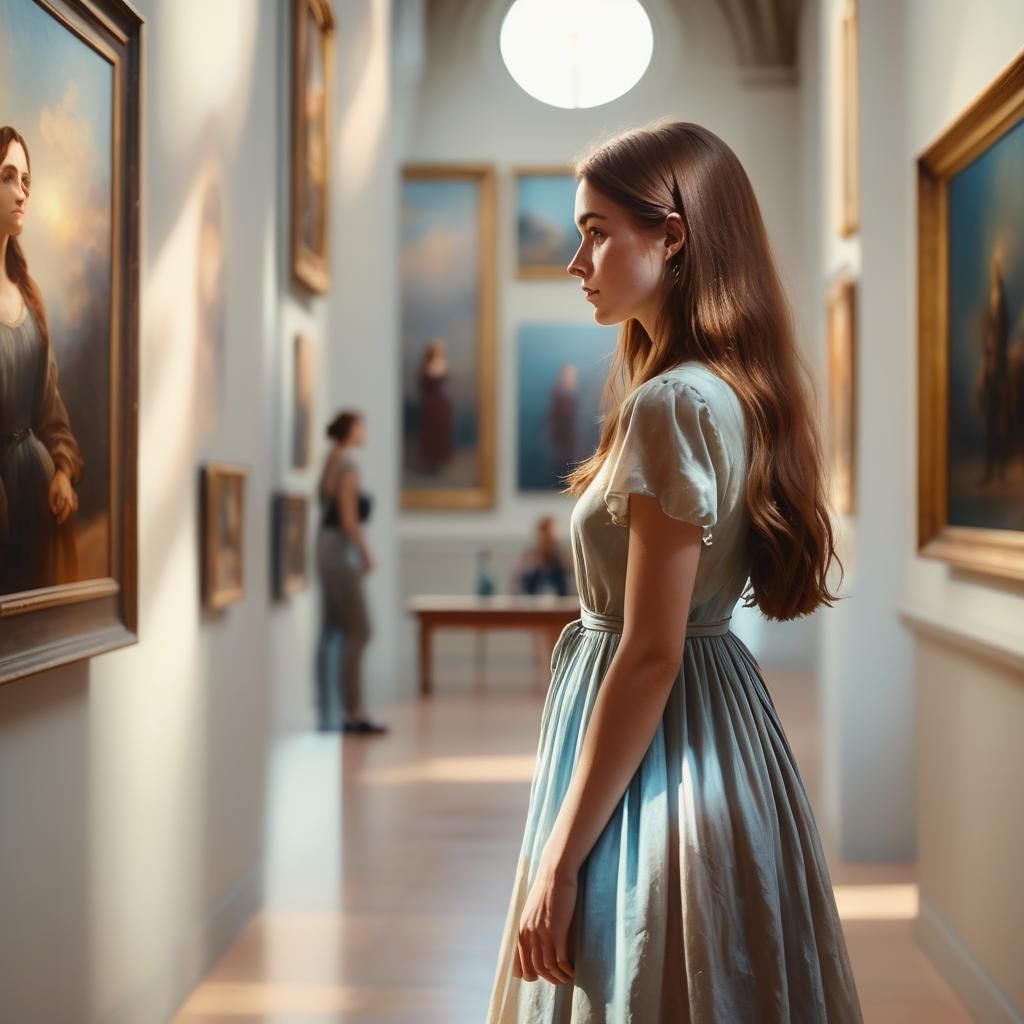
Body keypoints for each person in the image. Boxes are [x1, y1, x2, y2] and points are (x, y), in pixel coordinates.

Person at [486, 121, 863, 1022]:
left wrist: (561, 858)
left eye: (595, 231)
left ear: (673, 234)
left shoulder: (672, 404)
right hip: (714, 722)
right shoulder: (725, 392)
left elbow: (651, 654)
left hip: (664, 737)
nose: (578, 260)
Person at [0, 126, 82, 596]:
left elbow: (51, 412)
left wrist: (64, 473)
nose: (21, 192)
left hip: (38, 490)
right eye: (8, 177)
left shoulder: (30, 299)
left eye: (27, 181)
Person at [315, 409, 387, 735]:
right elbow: (348, 519)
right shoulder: (347, 465)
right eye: (362, 425)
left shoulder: (332, 459)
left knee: (342, 631)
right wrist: (366, 555)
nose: (366, 431)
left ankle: (341, 707)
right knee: (361, 630)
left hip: (327, 551)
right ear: (352, 429)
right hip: (339, 554)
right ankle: (352, 710)